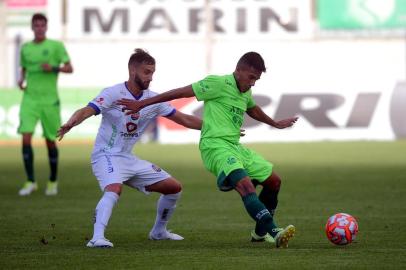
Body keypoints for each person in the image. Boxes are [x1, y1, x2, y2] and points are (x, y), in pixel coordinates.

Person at [117, 52, 299, 248]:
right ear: (238, 71)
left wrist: (274, 123)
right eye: (251, 77)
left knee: (274, 182)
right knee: (245, 186)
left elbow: (252, 108)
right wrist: (142, 103)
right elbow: (179, 93)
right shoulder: (217, 83)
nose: (253, 83)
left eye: (257, 79)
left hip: (235, 147)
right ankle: (275, 231)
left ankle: (259, 233)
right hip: (215, 146)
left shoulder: (245, 91)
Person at [57, 49, 202, 248]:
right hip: (105, 155)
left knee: (174, 188)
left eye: (152, 72)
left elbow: (184, 118)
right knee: (114, 189)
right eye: (146, 72)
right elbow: (87, 110)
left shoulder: (153, 100)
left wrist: (214, 127)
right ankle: (96, 238)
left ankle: (159, 232)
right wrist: (71, 123)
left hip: (128, 158)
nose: (150, 77)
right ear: (132, 70)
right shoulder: (113, 93)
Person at [18, 13, 73, 196]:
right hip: (29, 99)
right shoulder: (25, 48)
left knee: (50, 140)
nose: (39, 28)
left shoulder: (56, 46)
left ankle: (52, 181)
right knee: (25, 137)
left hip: (50, 101)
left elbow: (69, 68)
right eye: (36, 25)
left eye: (42, 25)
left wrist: (54, 68)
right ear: (32, 27)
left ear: (46, 27)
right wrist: (21, 79)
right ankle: (30, 181)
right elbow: (24, 68)